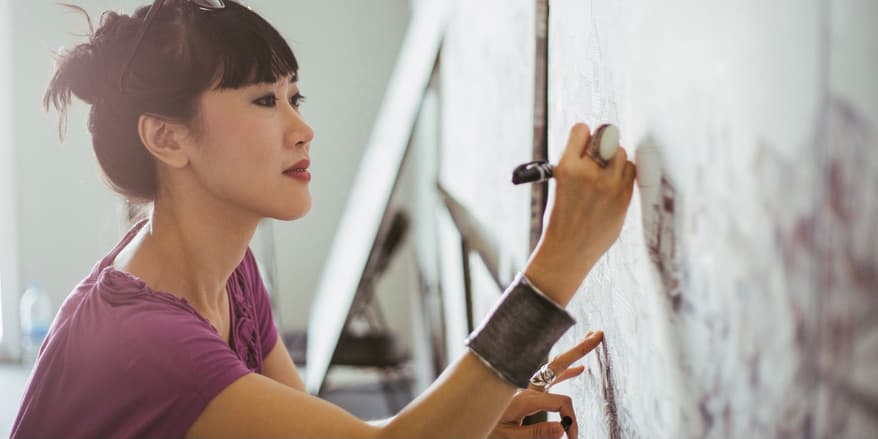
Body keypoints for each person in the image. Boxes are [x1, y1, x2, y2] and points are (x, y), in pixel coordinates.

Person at [11, 1, 636, 438]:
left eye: (293, 97)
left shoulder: (229, 275)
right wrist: (558, 263)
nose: (303, 129)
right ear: (169, 140)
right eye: (263, 100)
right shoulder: (148, 345)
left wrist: (469, 422)